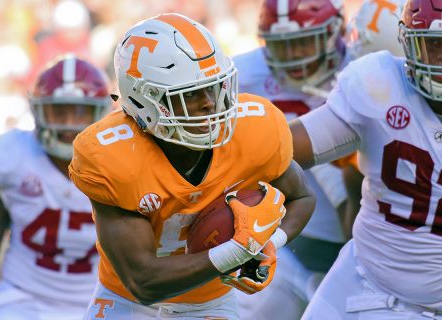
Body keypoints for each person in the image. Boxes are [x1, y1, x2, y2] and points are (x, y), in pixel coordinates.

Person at [68, 13, 316, 320]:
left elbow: (302, 197)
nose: (210, 103)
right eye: (191, 94)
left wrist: (268, 243)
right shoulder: (112, 156)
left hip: (208, 301)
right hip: (129, 300)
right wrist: (234, 252)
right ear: (146, 100)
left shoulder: (254, 131)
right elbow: (143, 282)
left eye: (213, 87)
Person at [289, 0, 442, 318]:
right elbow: (285, 147)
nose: (441, 59)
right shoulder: (381, 84)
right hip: (361, 280)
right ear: (408, 44)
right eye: (433, 44)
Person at [0, 55, 112, 320]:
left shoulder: (124, 165)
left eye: (80, 111)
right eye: (59, 110)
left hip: (101, 302)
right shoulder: (10, 160)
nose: (68, 125)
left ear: (101, 112)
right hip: (23, 300)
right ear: (38, 110)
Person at [232, 0, 353, 318]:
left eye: (302, 42)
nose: (294, 57)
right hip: (290, 240)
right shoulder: (239, 75)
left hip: (360, 235)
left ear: (333, 33)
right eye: (282, 46)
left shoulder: (363, 69)